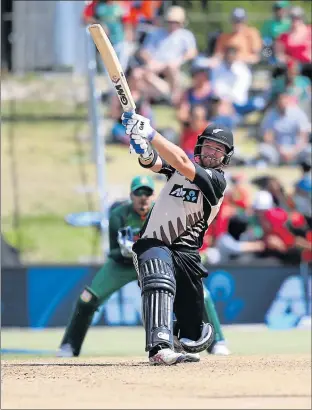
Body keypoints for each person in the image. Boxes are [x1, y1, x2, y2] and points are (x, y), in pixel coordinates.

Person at [57, 175, 230, 357]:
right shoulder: (118, 215)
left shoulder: (164, 210)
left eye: (147, 193)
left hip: (158, 261)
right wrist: (125, 250)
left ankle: (217, 341)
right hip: (123, 265)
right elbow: (114, 251)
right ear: (131, 196)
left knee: (201, 294)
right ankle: (69, 346)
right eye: (138, 193)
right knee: (87, 299)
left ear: (154, 196)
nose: (143, 198)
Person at [121, 110, 235, 365]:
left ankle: (178, 332)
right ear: (200, 145)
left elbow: (182, 161)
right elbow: (155, 163)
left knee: (195, 336)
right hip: (155, 242)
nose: (211, 152)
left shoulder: (216, 182)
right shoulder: (180, 169)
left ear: (225, 157)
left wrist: (150, 133)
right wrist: (142, 146)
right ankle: (159, 348)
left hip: (186, 255)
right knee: (158, 277)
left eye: (218, 150)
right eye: (208, 146)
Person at [133, 5, 197, 104]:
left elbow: (192, 52)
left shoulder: (186, 35)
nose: (172, 24)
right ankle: (162, 95)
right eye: (170, 21)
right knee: (136, 74)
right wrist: (151, 61)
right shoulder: (155, 33)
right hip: (154, 65)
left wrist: (179, 60)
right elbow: (144, 51)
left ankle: (171, 96)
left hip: (173, 67)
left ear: (181, 23)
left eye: (176, 22)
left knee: (171, 67)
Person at [258, 92, 311, 166]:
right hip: (278, 149)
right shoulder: (270, 115)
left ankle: (298, 162)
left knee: (308, 149)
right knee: (263, 149)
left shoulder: (298, 114)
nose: (283, 105)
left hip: (296, 149)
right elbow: (268, 137)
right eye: (281, 103)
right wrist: (280, 150)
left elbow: (304, 137)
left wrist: (294, 151)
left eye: (285, 102)